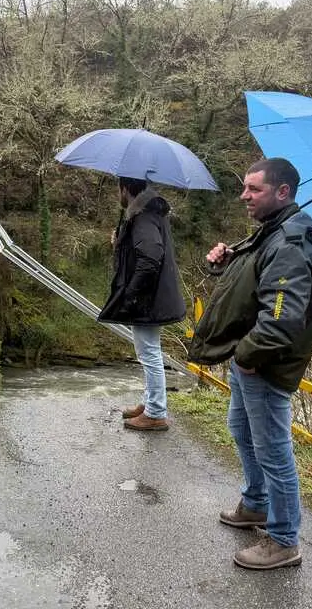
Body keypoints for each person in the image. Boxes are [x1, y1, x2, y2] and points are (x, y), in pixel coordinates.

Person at [188, 158, 312, 570]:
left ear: (282, 192)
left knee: (274, 451)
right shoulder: (270, 234)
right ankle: (256, 504)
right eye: (246, 188)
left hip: (264, 365)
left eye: (254, 189)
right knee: (241, 429)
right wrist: (221, 263)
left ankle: (284, 539)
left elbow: (280, 319)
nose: (244, 196)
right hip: (249, 360)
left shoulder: (290, 246)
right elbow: (254, 284)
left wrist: (247, 357)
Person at [98, 176, 186, 431]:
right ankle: (150, 404)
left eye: (119, 188)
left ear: (125, 188)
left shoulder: (143, 217)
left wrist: (132, 295)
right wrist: (121, 243)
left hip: (149, 299)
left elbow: (150, 258)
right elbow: (144, 252)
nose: (118, 193)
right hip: (154, 296)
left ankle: (156, 412)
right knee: (149, 351)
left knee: (148, 353)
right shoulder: (150, 213)